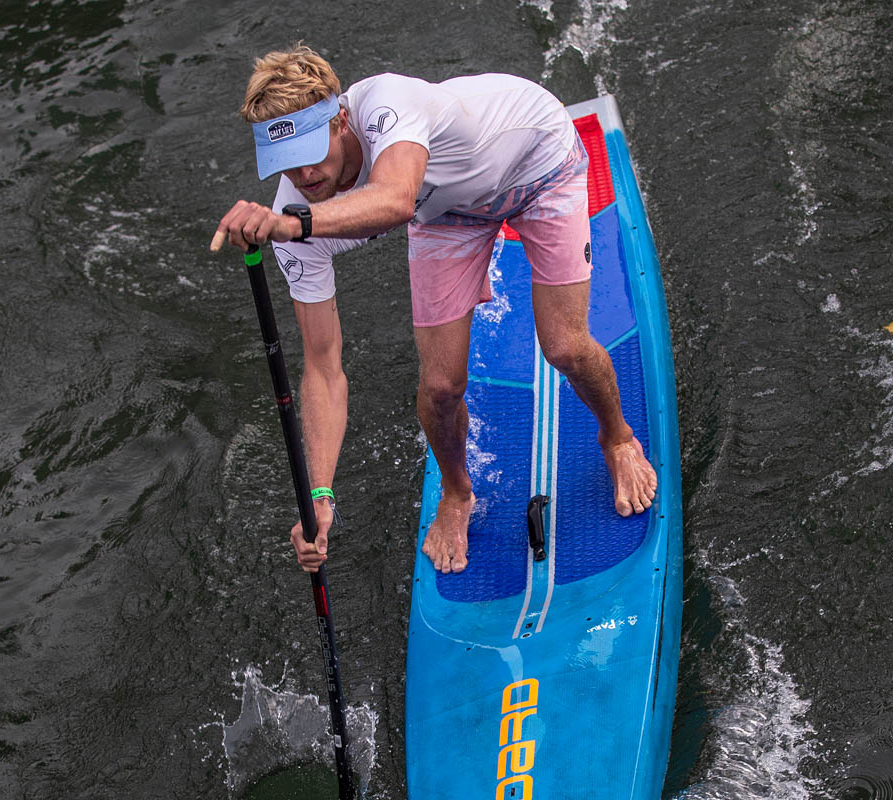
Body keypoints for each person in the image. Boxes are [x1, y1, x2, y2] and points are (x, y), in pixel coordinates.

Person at [211, 45, 656, 575]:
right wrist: (320, 495)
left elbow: (397, 198)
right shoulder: (293, 216)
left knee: (564, 347)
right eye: (287, 159)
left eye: (312, 148)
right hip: (447, 213)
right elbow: (323, 368)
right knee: (441, 386)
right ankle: (457, 490)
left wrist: (294, 223)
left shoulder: (386, 103)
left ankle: (617, 436)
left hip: (539, 167)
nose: (305, 173)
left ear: (341, 120)